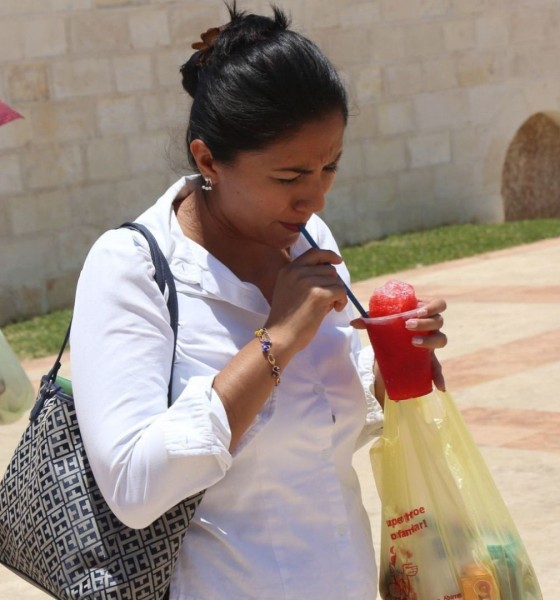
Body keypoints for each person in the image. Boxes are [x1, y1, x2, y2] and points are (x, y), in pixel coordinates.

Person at [69, 5, 448, 600]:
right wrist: (278, 339)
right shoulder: (131, 268)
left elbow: (335, 415)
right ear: (208, 160)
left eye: (329, 168)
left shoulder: (308, 239)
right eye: (289, 176)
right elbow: (133, 489)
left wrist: (402, 362)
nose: (314, 199)